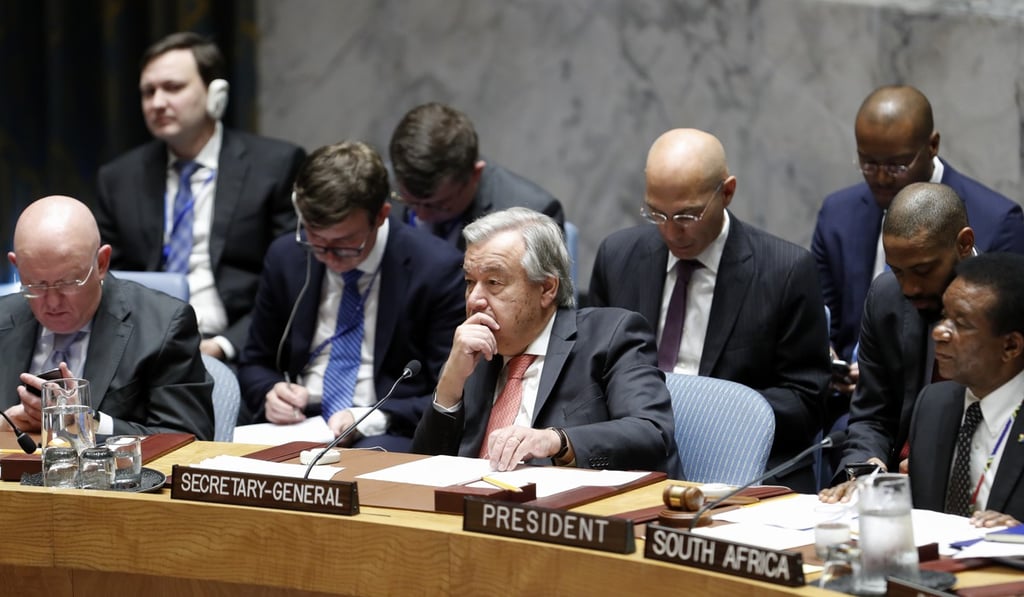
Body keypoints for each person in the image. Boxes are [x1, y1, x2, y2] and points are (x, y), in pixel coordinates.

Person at [589, 128, 827, 492]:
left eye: (687, 216)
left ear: (727, 192)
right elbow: (589, 374)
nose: (671, 232)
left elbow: (806, 402)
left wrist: (707, 414)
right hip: (631, 458)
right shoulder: (618, 257)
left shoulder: (786, 271)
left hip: (740, 465)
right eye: (657, 213)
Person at [412, 208, 680, 475]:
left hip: (574, 498)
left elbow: (651, 431)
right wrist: (449, 385)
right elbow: (423, 470)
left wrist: (556, 441)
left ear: (547, 288)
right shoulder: (473, 352)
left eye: (494, 282)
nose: (474, 299)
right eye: (470, 282)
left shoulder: (611, 335)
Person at [96, 32, 306, 369]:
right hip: (145, 353)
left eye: (173, 87)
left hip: (236, 351)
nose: (157, 102)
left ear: (215, 93)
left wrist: (223, 345)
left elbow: (292, 279)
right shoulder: (119, 179)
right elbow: (107, 280)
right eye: (148, 92)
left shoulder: (275, 166)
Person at [238, 141, 465, 452]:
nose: (329, 257)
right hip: (298, 420)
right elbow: (254, 361)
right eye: (316, 239)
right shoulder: (286, 256)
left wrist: (369, 419)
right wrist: (270, 391)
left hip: (383, 426)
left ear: (381, 215)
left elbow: (451, 392)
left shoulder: (436, 269)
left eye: (345, 243)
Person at [812, 85, 1024, 396]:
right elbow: (820, 315)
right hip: (851, 399)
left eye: (897, 165)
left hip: (950, 395)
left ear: (932, 145)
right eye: (868, 163)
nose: (881, 177)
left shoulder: (998, 221)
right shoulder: (837, 213)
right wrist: (828, 357)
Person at [825, 253, 1023, 527]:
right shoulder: (933, 404)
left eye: (961, 324)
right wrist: (872, 492)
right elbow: (926, 509)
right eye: (944, 317)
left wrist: (1018, 535)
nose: (939, 333)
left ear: (1011, 346)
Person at [0, 196, 214, 439]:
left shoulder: (165, 326)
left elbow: (190, 437)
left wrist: (86, 422)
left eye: (69, 282)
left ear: (101, 263)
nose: (52, 302)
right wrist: (4, 425)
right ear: (17, 266)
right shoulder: (3, 318)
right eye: (35, 284)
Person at [820, 182, 975, 499]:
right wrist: (867, 469)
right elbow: (871, 416)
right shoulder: (886, 297)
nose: (909, 288)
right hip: (896, 491)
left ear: (964, 243)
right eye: (898, 271)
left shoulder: (1008, 306)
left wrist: (938, 468)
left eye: (922, 270)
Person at [388, 102, 564, 250]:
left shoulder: (531, 221)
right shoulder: (380, 186)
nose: (422, 216)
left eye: (440, 205)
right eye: (409, 201)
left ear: (475, 174)